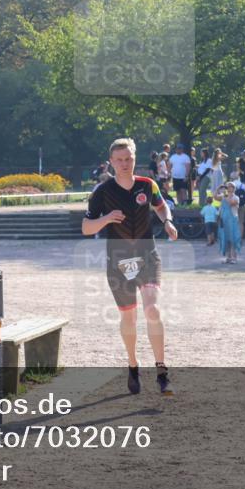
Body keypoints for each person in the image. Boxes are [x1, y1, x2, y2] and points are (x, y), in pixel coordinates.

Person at [82, 138, 177, 395]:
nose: (124, 164)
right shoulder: (102, 192)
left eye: (129, 159)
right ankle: (133, 365)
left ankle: (161, 371)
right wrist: (106, 218)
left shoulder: (148, 184)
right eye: (119, 160)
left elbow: (160, 205)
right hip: (119, 262)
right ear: (111, 162)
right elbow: (86, 227)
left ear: (135, 159)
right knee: (129, 316)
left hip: (147, 255)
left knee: (153, 309)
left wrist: (167, 221)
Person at [216, 182, 242, 264]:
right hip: (224, 220)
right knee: (225, 239)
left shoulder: (236, 197)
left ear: (233, 188)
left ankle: (234, 257)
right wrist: (218, 189)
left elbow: (231, 203)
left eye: (230, 187)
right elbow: (215, 197)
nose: (228, 188)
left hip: (233, 220)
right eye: (227, 187)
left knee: (233, 239)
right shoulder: (224, 196)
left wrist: (226, 195)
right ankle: (228, 257)